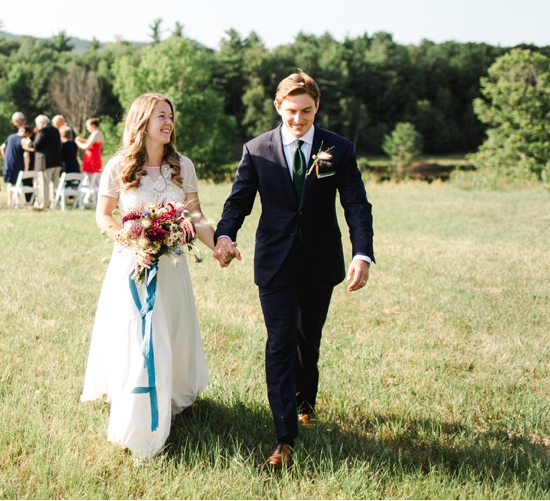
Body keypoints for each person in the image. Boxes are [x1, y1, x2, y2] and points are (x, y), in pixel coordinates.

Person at [213, 71, 375, 470]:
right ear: (277, 107)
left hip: (321, 260)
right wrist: (224, 235)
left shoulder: (339, 148)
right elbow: (238, 203)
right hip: (275, 260)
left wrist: (362, 253)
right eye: (290, 112)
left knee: (308, 340)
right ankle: (284, 437)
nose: (298, 119)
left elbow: (356, 205)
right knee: (280, 341)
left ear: (316, 107)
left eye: (305, 111)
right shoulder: (257, 149)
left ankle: (305, 404)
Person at [82, 92, 216, 458]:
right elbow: (103, 217)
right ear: (142, 121)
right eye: (161, 115)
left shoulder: (182, 165)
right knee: (141, 335)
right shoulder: (119, 166)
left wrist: (217, 244)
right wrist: (132, 241)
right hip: (133, 264)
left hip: (172, 267)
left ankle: (169, 395)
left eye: (171, 115)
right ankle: (138, 408)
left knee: (169, 329)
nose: (169, 122)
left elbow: (195, 216)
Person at [31, 115, 62, 210]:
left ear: (41, 123)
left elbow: (36, 144)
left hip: (45, 163)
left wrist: (28, 143)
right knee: (55, 185)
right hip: (57, 162)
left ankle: (43, 205)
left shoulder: (43, 131)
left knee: (44, 185)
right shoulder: (55, 130)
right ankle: (56, 204)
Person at [76, 117, 104, 186]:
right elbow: (92, 142)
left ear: (93, 126)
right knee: (95, 177)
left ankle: (94, 193)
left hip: (92, 157)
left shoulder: (95, 133)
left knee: (92, 177)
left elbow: (86, 146)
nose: (87, 128)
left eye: (88, 126)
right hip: (95, 155)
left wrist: (77, 143)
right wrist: (81, 140)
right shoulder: (99, 133)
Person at [2, 112, 27, 189]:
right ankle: (13, 201)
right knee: (14, 183)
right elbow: (2, 147)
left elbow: (27, 153)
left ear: (20, 120)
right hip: (15, 162)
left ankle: (16, 201)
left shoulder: (26, 130)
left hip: (19, 162)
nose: (14, 125)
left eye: (15, 122)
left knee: (17, 183)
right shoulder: (12, 137)